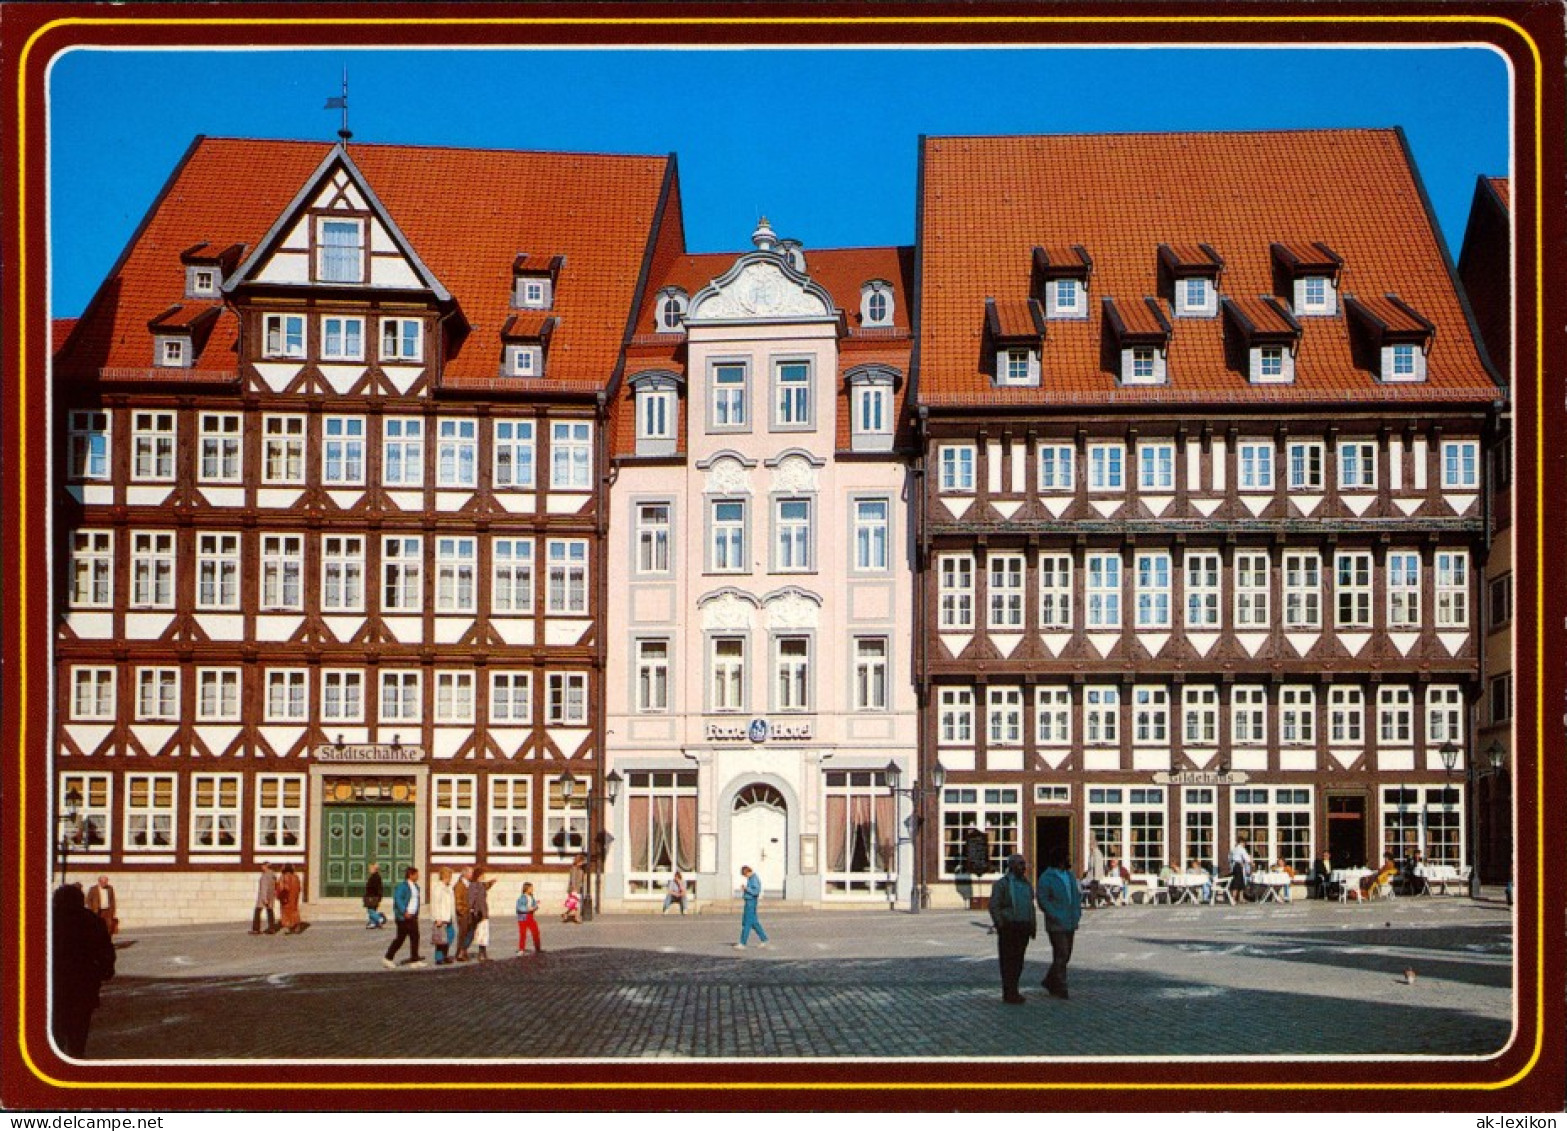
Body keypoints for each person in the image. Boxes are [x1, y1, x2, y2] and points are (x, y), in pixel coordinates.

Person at [51, 884, 116, 1058]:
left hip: (54, 985)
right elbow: (106, 951)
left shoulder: (49, 921)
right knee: (79, 1032)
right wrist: (105, 971)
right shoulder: (93, 921)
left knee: (56, 1028)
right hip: (84, 985)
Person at [988, 853, 1036, 1004]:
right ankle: (1008, 992)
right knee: (1008, 961)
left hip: (1023, 926)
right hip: (1009, 926)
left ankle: (1014, 989)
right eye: (1020, 864)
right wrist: (999, 923)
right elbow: (994, 905)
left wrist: (1032, 925)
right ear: (1011, 866)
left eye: (1024, 864)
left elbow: (1030, 906)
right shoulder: (1003, 884)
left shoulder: (1027, 884)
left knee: (1019, 961)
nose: (1023, 867)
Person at [1036, 854, 1083, 1000]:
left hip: (1070, 920)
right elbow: (1042, 899)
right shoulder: (1047, 877)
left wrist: (1077, 912)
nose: (1068, 860)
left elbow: (1075, 896)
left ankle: (1050, 980)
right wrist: (1053, 913)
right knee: (1061, 953)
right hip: (1056, 923)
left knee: (1066, 954)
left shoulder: (1069, 875)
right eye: (1065, 858)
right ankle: (1061, 985)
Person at [383, 866, 426, 968]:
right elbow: (398, 899)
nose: (418, 876)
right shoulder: (402, 887)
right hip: (403, 917)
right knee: (400, 938)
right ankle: (388, 958)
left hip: (413, 916)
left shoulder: (416, 887)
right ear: (411, 875)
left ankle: (414, 959)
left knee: (415, 937)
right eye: (416, 874)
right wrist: (404, 911)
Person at [733, 865, 768, 949]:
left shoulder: (754, 879)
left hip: (751, 902)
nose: (745, 877)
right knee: (754, 922)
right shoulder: (751, 878)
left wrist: (746, 889)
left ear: (748, 872)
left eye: (745, 875)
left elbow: (756, 891)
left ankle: (742, 942)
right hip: (749, 901)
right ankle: (764, 939)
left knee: (747, 923)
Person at [468, 865, 494, 961]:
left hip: (483, 912)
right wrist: (475, 911)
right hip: (479, 913)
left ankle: (483, 953)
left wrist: (491, 883)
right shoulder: (474, 885)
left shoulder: (480, 885)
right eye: (483, 875)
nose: (484, 876)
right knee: (480, 933)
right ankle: (480, 954)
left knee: (484, 933)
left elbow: (485, 887)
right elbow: (473, 900)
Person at [430, 866, 455, 965]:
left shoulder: (448, 887)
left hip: (448, 916)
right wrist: (437, 918)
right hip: (441, 917)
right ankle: (439, 957)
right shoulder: (438, 888)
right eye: (450, 876)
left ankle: (444, 955)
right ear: (445, 876)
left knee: (450, 936)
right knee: (441, 938)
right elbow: (435, 903)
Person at [277, 862, 304, 933]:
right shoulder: (296, 877)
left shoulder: (284, 877)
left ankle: (287, 926)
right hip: (294, 897)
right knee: (295, 910)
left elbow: (282, 888)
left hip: (286, 897)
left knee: (285, 912)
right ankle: (296, 926)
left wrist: (279, 895)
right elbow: (299, 888)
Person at [515, 881, 542, 955]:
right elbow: (519, 907)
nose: (532, 889)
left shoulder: (531, 897)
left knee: (536, 931)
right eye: (531, 888)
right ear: (527, 888)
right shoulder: (522, 897)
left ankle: (538, 948)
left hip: (530, 916)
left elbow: (533, 905)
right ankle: (521, 949)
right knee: (523, 933)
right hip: (523, 917)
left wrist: (536, 906)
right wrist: (528, 909)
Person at [250, 862, 277, 935]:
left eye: (263, 866)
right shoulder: (273, 875)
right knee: (270, 912)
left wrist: (264, 898)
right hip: (271, 896)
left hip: (263, 897)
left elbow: (264, 888)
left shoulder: (265, 876)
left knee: (257, 911)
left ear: (266, 866)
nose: (262, 867)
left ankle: (256, 929)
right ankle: (272, 928)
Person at [452, 867, 472, 960]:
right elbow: (458, 900)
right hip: (463, 914)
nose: (472, 874)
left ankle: (463, 951)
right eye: (471, 873)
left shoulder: (469, 884)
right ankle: (460, 953)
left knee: (470, 933)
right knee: (463, 934)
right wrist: (462, 911)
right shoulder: (459, 885)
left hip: (470, 913)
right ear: (465, 874)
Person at [1228, 835, 1253, 903]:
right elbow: (1247, 858)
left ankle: (1241, 898)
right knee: (1237, 882)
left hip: (1234, 866)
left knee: (1241, 881)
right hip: (1238, 867)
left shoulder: (1234, 849)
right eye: (1244, 843)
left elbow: (1229, 858)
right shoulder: (1241, 849)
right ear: (1242, 842)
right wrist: (1251, 862)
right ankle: (1233, 898)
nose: (1245, 844)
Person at [362, 862, 387, 929]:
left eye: (370, 868)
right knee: (373, 910)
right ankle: (373, 923)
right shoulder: (376, 876)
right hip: (374, 896)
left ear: (374, 869)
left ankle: (380, 918)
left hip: (372, 897)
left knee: (371, 910)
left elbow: (375, 888)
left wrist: (375, 896)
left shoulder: (375, 877)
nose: (369, 870)